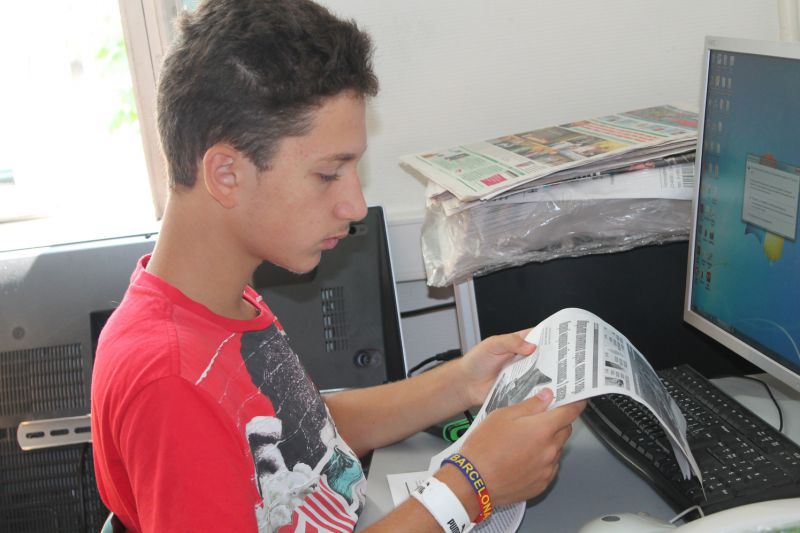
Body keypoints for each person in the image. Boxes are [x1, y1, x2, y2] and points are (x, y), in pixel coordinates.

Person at [90, 0, 586, 531]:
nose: (354, 206)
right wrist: (470, 488)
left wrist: (461, 382)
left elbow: (305, 437)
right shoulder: (172, 383)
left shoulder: (224, 302)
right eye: (329, 174)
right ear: (226, 174)